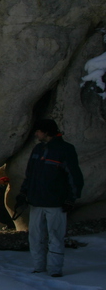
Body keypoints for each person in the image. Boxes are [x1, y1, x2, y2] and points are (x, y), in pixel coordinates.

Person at [17, 119, 84, 277]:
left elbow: (74, 177)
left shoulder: (65, 150)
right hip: (36, 202)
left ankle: (55, 270)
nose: (36, 134)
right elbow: (30, 176)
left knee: (55, 237)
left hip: (56, 203)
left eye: (38, 131)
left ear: (46, 132)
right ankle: (39, 268)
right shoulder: (38, 149)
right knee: (35, 237)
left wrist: (71, 199)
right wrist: (23, 194)